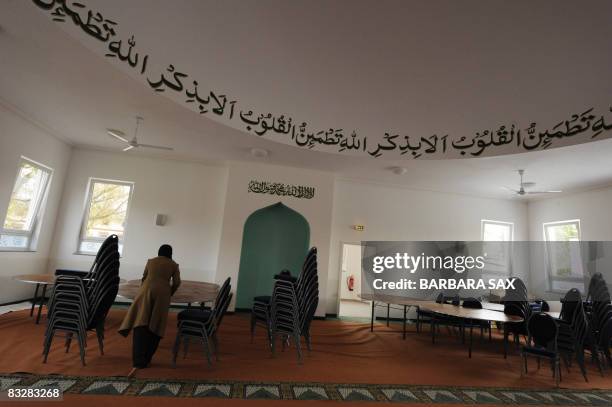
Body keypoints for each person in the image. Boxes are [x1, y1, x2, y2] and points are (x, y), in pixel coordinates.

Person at [119, 244, 181, 377]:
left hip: (145, 291)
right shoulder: (174, 265)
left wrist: (143, 290)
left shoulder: (150, 261)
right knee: (156, 324)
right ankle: (147, 359)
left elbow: (144, 278)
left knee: (141, 322)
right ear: (171, 253)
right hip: (162, 295)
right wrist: (169, 292)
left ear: (158, 252)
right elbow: (177, 282)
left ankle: (138, 361)